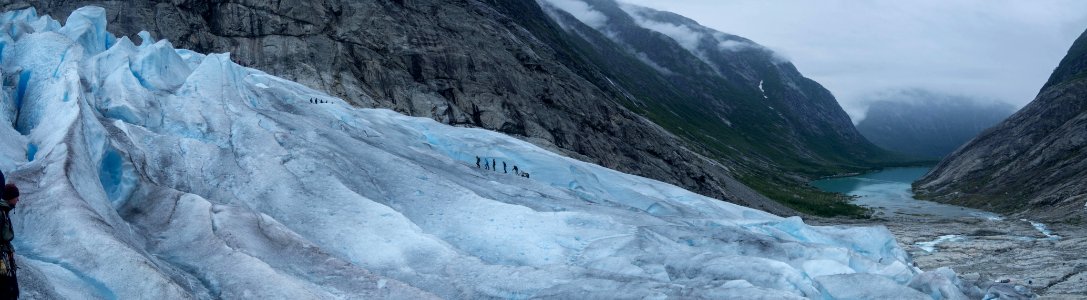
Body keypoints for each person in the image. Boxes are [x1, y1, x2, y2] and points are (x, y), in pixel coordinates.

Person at [0, 182, 19, 299]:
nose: (18, 200)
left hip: (5, 255)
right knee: (6, 290)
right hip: (2, 256)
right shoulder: (1, 213)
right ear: (10, 197)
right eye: (16, 197)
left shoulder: (4, 211)